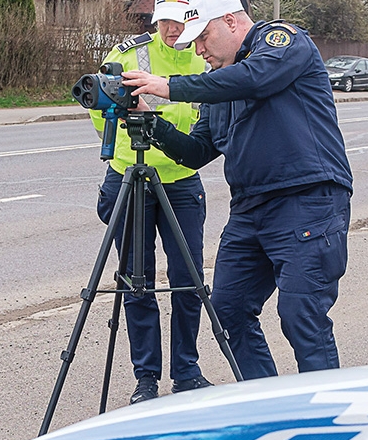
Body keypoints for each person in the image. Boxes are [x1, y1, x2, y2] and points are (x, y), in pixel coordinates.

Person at [121, 0, 352, 380]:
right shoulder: (221, 84)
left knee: (301, 317)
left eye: (203, 38)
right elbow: (195, 153)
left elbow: (256, 78)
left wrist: (169, 86)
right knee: (227, 309)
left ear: (230, 21)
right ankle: (267, 404)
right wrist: (152, 120)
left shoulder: (281, 42)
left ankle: (326, 417)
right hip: (249, 211)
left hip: (306, 202)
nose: (199, 50)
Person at [89, 0, 213, 404]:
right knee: (135, 282)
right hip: (132, 175)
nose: (173, 30)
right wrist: (126, 143)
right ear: (156, 20)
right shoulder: (130, 53)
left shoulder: (207, 54)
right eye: (165, 22)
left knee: (187, 279)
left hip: (181, 179)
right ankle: (146, 378)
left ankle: (187, 371)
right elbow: (100, 103)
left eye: (180, 22)